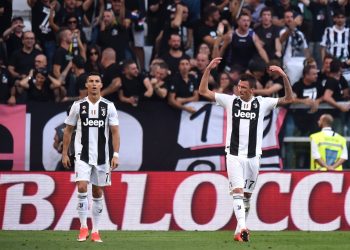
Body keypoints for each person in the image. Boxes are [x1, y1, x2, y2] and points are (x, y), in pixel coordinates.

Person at [198, 57, 293, 242]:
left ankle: (238, 231)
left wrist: (283, 76)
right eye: (238, 87)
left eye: (243, 88)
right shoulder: (230, 101)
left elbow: (289, 98)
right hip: (233, 155)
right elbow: (203, 91)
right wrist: (208, 69)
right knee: (238, 192)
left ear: (252, 89)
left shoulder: (262, 103)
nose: (239, 90)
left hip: (253, 157)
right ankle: (243, 227)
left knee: (247, 196)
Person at [62, 72, 120, 243]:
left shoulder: (109, 106)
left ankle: (95, 231)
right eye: (91, 81)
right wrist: (65, 153)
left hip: (103, 156)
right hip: (82, 154)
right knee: (81, 187)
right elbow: (68, 130)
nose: (94, 84)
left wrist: (115, 154)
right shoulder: (78, 106)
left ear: (101, 85)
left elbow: (115, 132)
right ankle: (82, 227)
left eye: (97, 81)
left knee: (97, 191)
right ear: (86, 85)